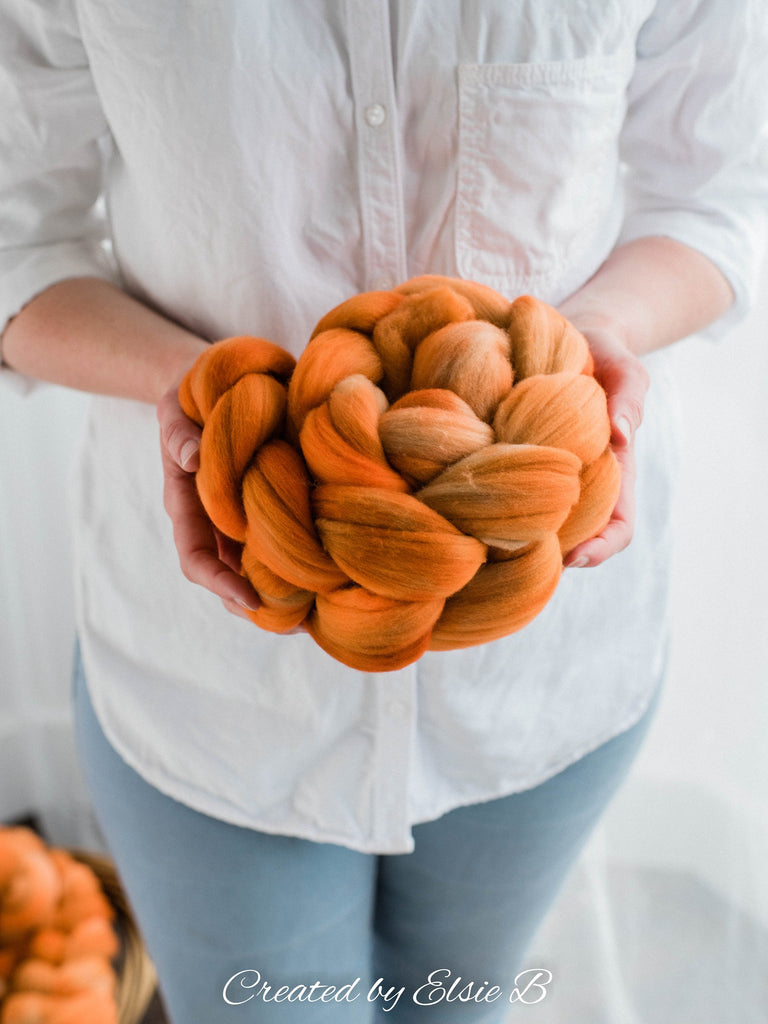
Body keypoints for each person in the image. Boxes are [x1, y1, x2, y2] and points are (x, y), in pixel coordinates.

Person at [1, 2, 766, 1021]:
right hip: (210, 695)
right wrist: (200, 392)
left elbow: (720, 192)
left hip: (543, 689)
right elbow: (17, 234)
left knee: (456, 1011)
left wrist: (599, 338)